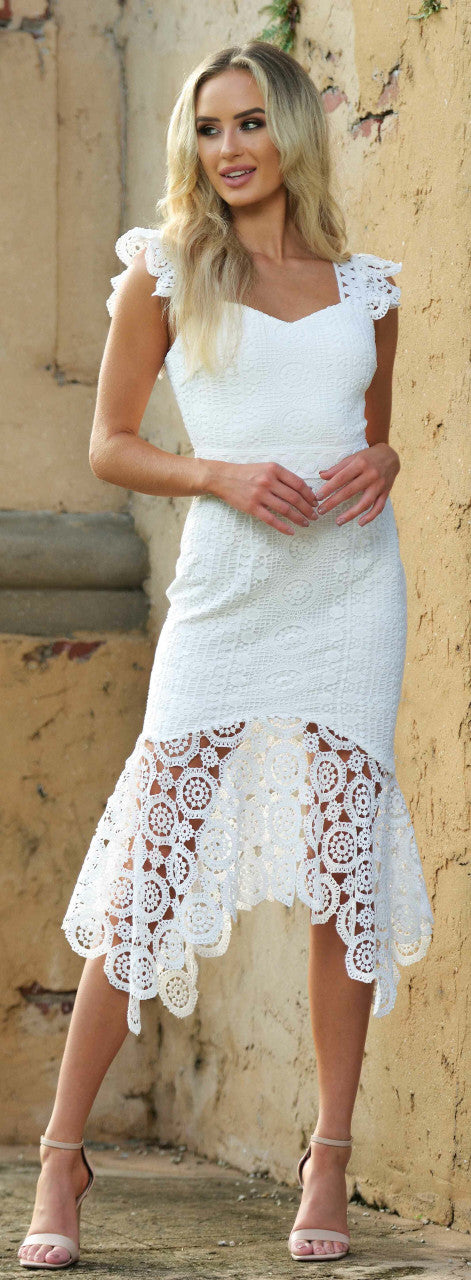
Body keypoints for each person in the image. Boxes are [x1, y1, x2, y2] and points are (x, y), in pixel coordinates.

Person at [18, 39, 434, 1270]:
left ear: (293, 133)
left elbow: (372, 435)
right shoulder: (164, 270)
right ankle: (61, 1152)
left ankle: (330, 1155)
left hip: (352, 588)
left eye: (251, 123)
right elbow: (109, 444)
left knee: (340, 860)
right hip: (230, 589)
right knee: (151, 861)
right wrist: (221, 475)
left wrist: (391, 462)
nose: (230, 148)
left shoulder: (369, 287)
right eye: (209, 129)